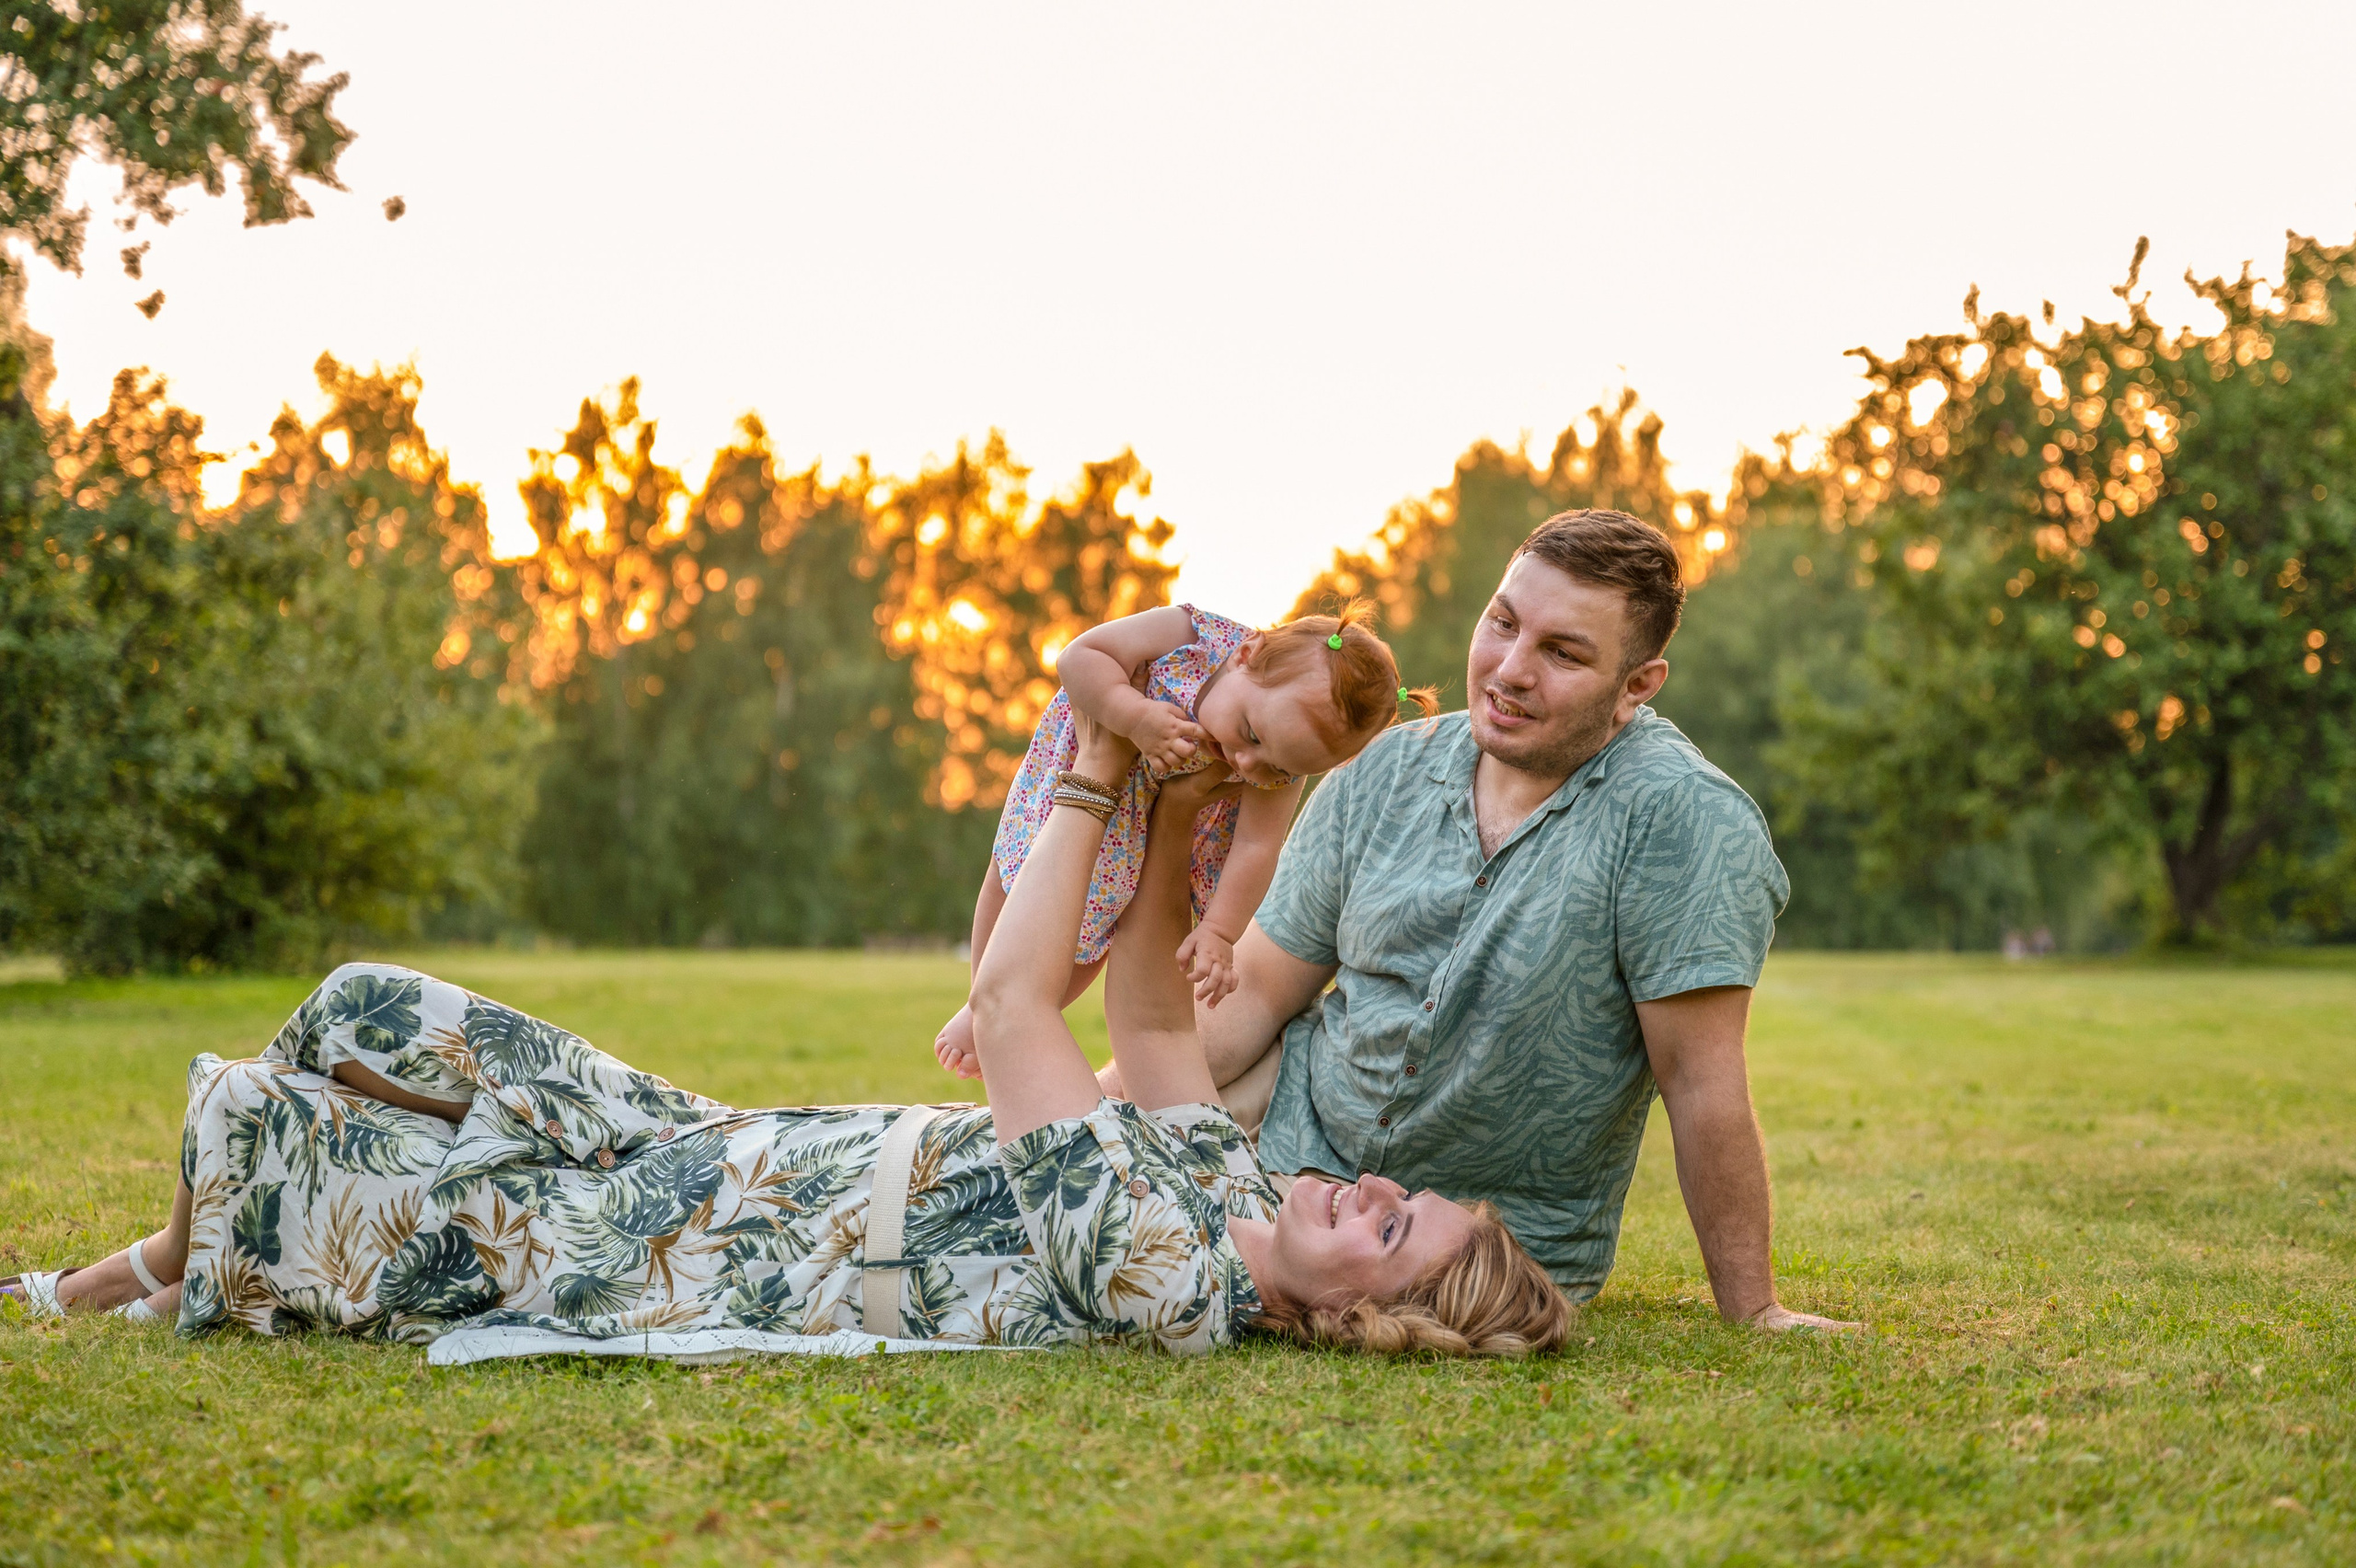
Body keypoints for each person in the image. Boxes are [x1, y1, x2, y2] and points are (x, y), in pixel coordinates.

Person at [4, 713, 1569, 1358]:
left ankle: (110, 1282)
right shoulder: (1225, 1168)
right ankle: (183, 1256)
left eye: (1391, 1223)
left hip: (685, 1234)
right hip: (717, 1131)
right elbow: (1156, 1003)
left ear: (1380, 1318)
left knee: (346, 1153)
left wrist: (1093, 766)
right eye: (1392, 1184)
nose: (1362, 1183)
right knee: (360, 1007)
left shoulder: (1166, 1275)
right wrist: (1176, 803)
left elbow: (1027, 1003)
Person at [1101, 509, 1860, 1333]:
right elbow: (1252, 997)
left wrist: (1755, 1309)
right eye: (1502, 624)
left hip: (1478, 1249)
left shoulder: (1684, 822)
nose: (1511, 668)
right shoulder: (1383, 767)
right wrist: (1083, 1111)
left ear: (1637, 685)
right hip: (1285, 1153)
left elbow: (1701, 1081)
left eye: (1562, 653)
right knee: (1061, 1195)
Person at [934, 600, 1438, 1078]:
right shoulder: (1191, 636)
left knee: (1095, 937)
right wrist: (1133, 715)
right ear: (1247, 655)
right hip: (1074, 776)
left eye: (1279, 768)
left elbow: (1257, 848)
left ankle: (1008, 1012)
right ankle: (982, 1000)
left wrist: (1220, 931)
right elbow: (1079, 657)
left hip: (1141, 833)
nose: (1246, 763)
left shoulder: (1275, 762)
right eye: (1251, 734)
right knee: (1014, 873)